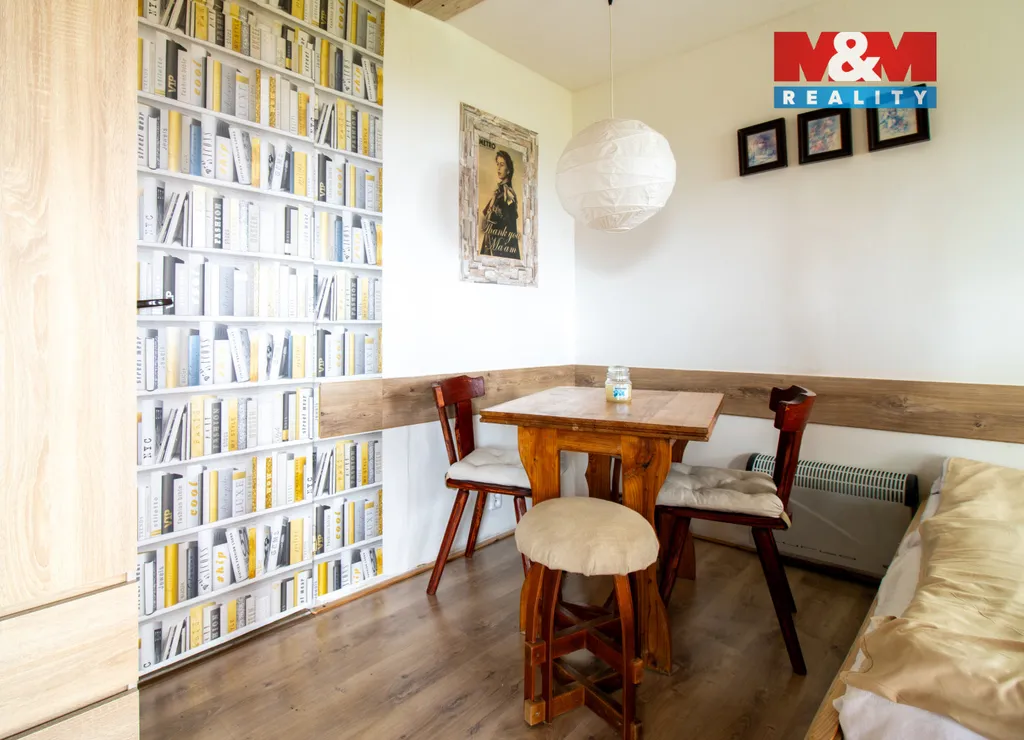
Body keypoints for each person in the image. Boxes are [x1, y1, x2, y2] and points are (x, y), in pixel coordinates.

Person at [479, 150, 520, 259]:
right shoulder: (498, 192)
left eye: (502, 165)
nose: (498, 168)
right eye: (497, 164)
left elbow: (509, 224)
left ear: (508, 170)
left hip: (500, 245)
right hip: (491, 241)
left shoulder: (508, 193)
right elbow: (486, 215)